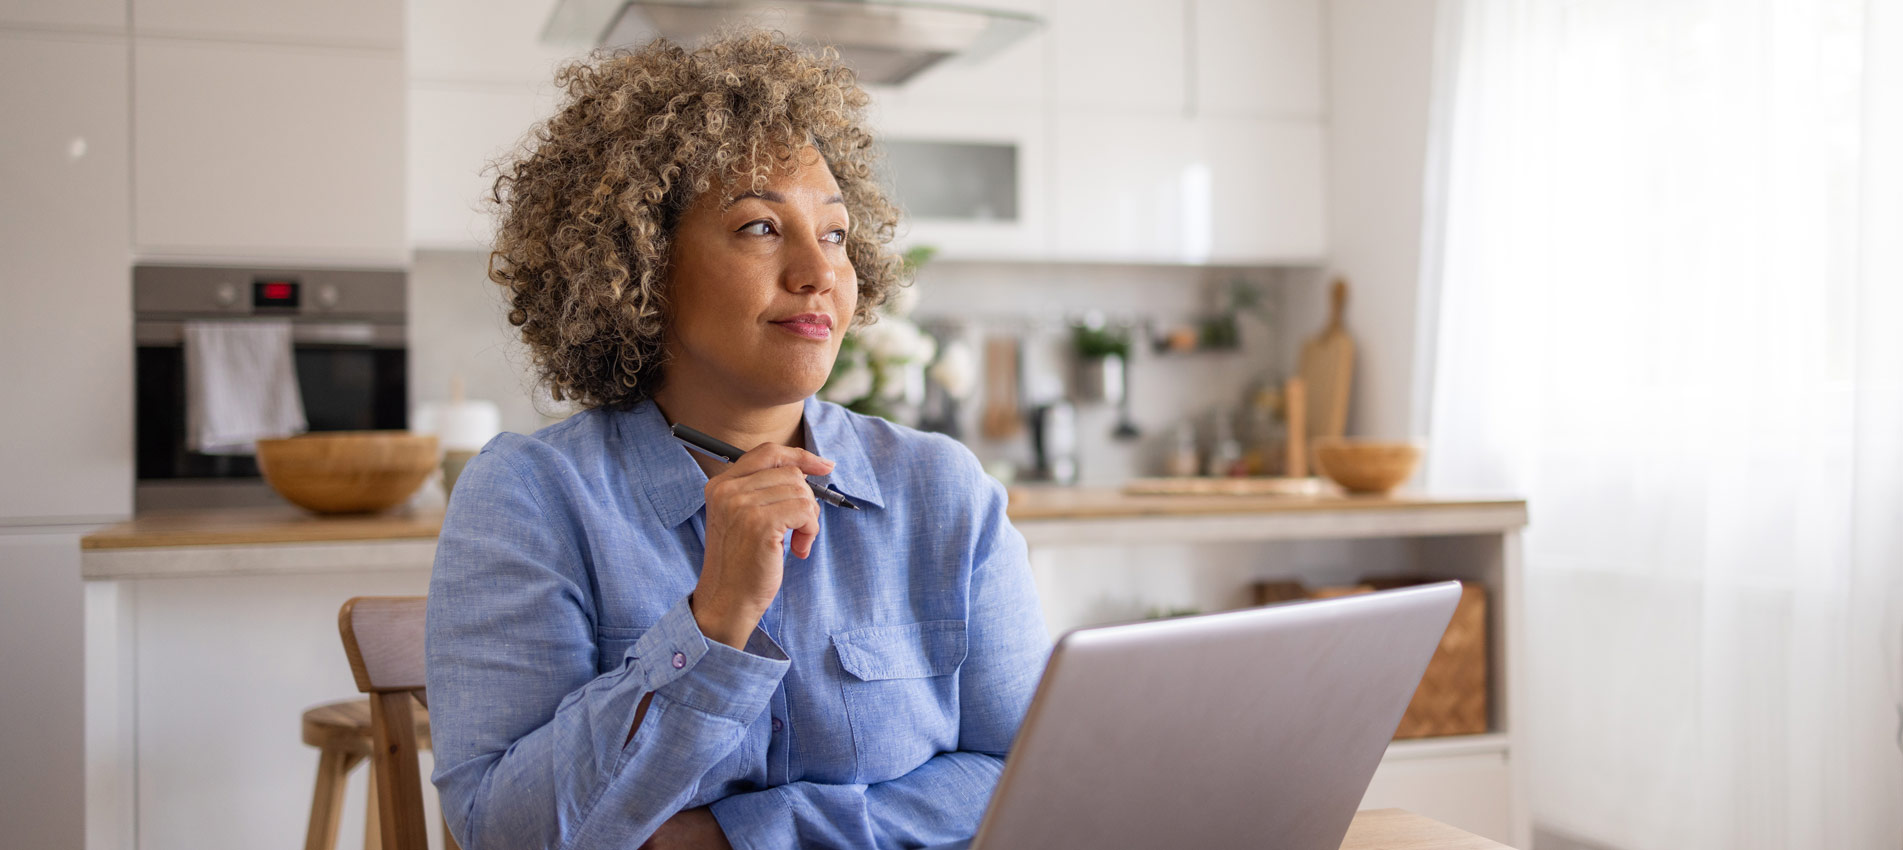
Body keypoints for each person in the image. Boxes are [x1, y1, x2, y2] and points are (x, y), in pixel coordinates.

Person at [423, 31, 1052, 850]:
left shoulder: (942, 490)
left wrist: (736, 839)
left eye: (833, 233)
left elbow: (1028, 779)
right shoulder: (531, 499)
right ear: (641, 260)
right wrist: (710, 623)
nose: (817, 271)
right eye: (760, 227)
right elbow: (501, 832)